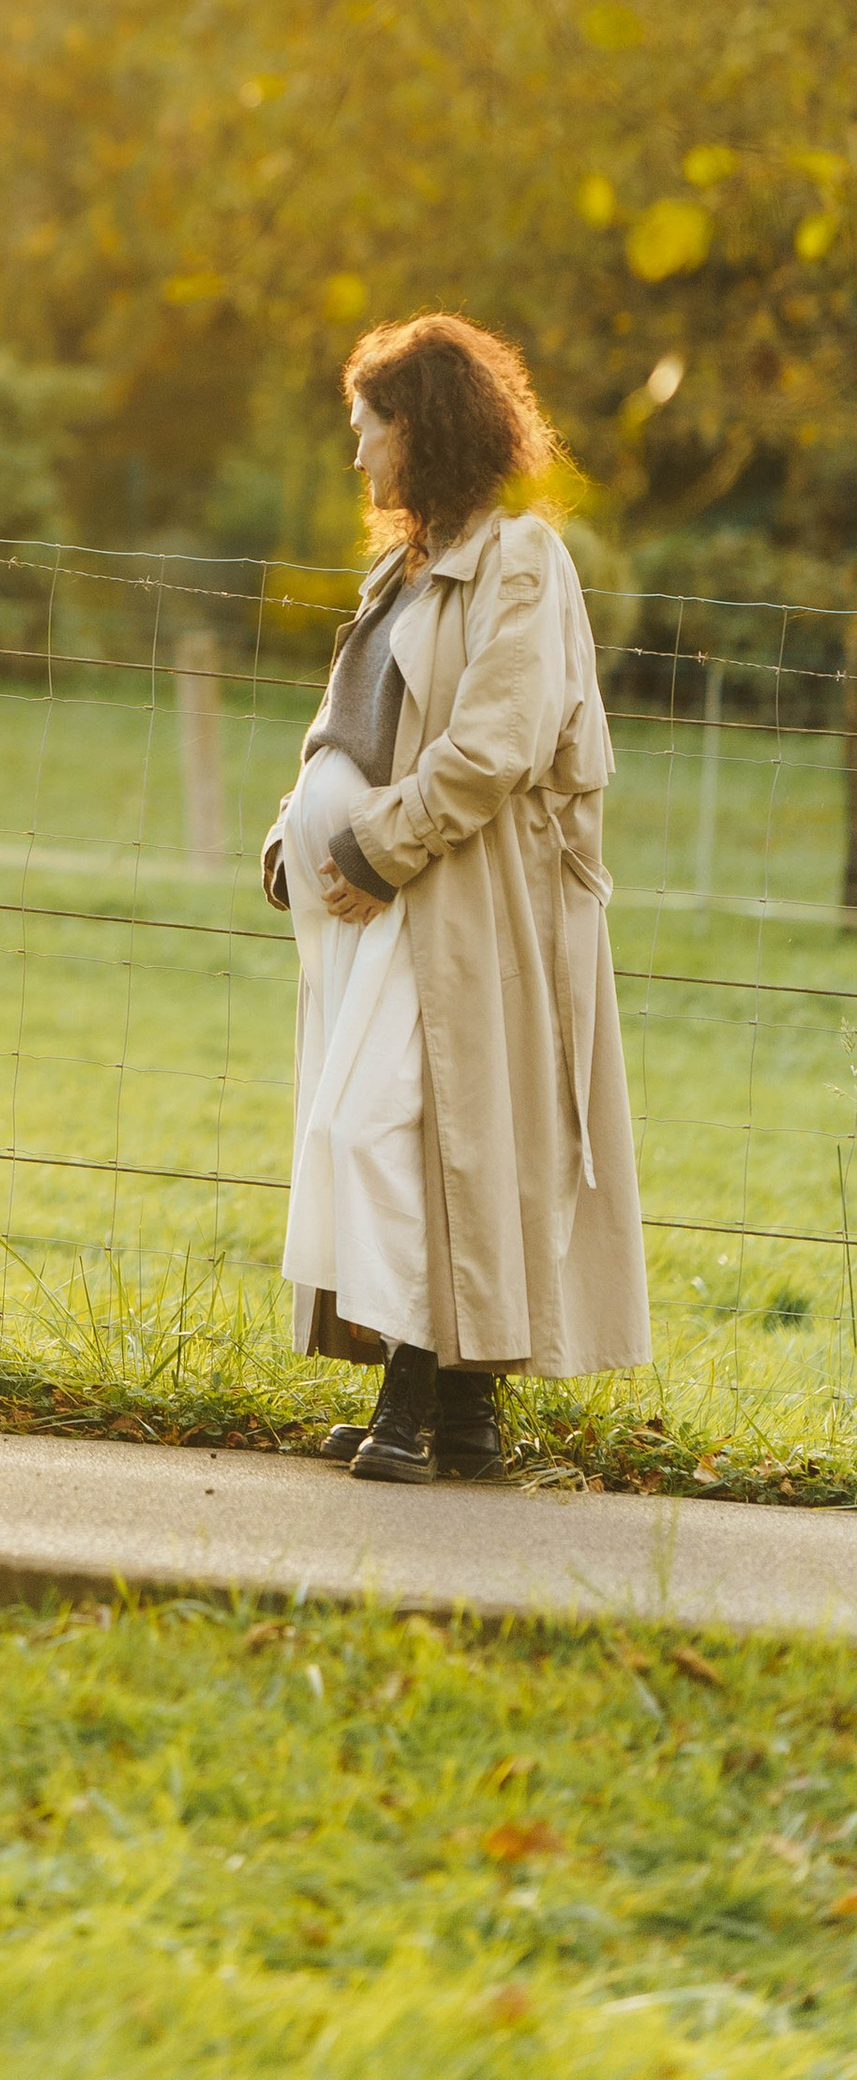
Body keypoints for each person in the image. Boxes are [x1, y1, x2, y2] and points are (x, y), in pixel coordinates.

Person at [261, 313, 649, 1484]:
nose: (355, 455)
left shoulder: (520, 560)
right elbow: (353, 727)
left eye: (367, 428)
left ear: (418, 428)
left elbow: (494, 742)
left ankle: (415, 1396)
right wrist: (296, 828)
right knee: (427, 1134)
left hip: (476, 897)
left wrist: (377, 845)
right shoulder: (406, 567)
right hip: (400, 903)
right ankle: (467, 1422)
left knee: (411, 1131)